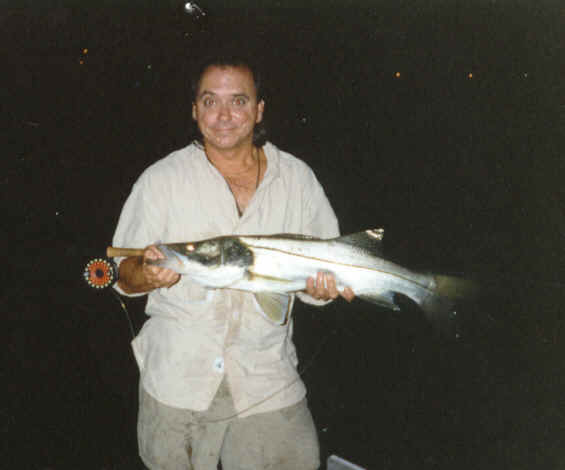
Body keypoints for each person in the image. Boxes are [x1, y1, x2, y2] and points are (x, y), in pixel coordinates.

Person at [112, 54, 354, 470]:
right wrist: (148, 274)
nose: (223, 115)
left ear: (259, 109)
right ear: (194, 110)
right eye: (210, 101)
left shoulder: (297, 180)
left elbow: (327, 270)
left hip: (267, 377)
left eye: (238, 101)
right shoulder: (160, 180)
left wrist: (320, 292)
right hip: (177, 381)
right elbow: (122, 272)